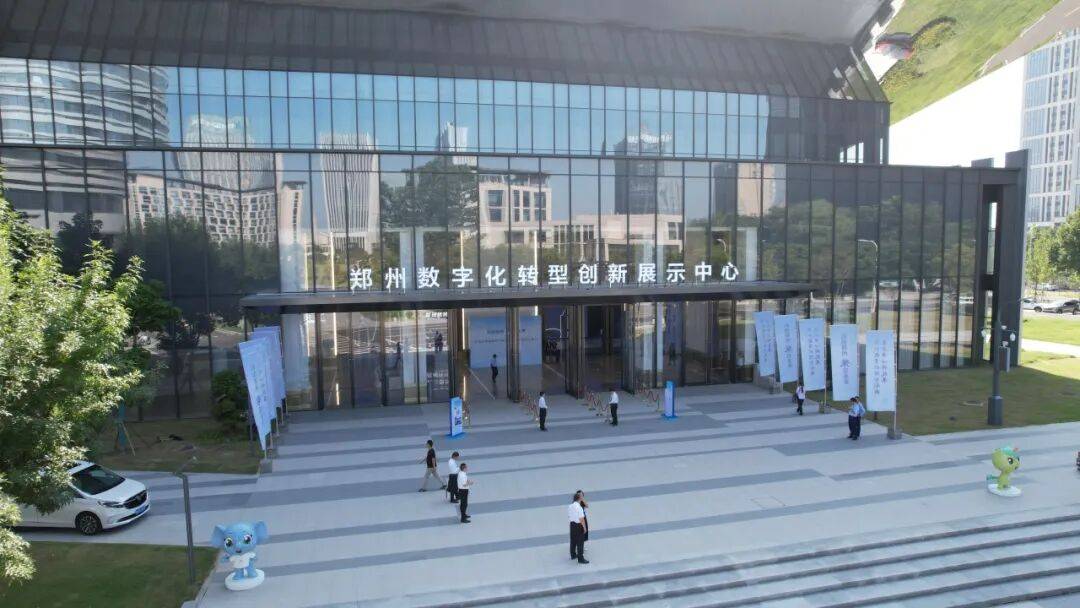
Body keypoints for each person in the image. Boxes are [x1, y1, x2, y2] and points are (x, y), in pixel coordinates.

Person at [568, 490, 589, 564]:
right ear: (579, 498)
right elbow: (581, 519)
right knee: (580, 542)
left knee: (573, 540)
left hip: (572, 525)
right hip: (578, 525)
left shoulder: (570, 506)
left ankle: (573, 554)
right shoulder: (579, 507)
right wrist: (584, 528)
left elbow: (569, 516)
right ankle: (580, 558)